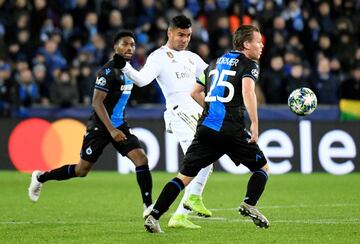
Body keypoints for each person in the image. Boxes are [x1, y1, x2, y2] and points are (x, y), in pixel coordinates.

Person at [143, 25, 270, 233]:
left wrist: (212, 110)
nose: (261, 45)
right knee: (262, 168)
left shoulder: (214, 63)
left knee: (184, 177)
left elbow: (195, 92)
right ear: (246, 44)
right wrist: (255, 123)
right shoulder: (250, 64)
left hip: (205, 128)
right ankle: (249, 203)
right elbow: (248, 91)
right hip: (231, 129)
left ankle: (154, 215)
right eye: (258, 41)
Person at [28, 31, 154, 218]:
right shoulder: (108, 71)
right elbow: (96, 102)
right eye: (125, 44)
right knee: (81, 170)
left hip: (120, 125)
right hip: (101, 127)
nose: (129, 48)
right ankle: (40, 177)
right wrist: (111, 129)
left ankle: (148, 207)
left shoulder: (130, 71)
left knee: (141, 159)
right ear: (115, 47)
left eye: (133, 45)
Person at [116, 15, 213, 229]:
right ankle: (176, 209)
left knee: (207, 160)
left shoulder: (192, 58)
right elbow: (141, 80)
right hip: (179, 113)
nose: (185, 39)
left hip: (198, 112)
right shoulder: (158, 57)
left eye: (188, 35)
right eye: (180, 35)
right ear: (169, 33)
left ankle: (182, 213)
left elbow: (210, 78)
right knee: (198, 160)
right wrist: (124, 65)